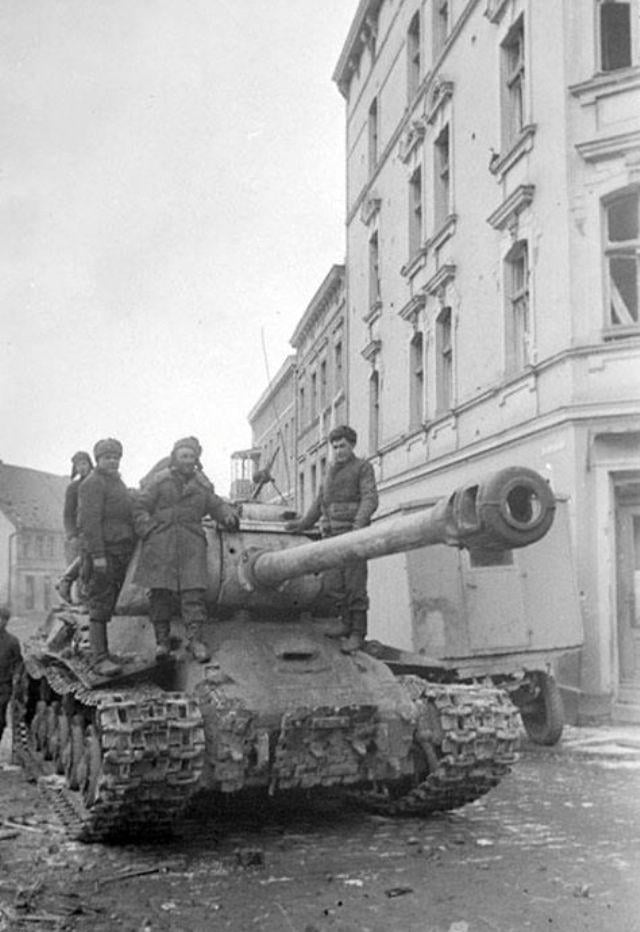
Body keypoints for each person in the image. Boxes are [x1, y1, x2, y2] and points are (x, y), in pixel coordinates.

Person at [132, 436, 240, 662]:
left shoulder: (201, 485)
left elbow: (215, 504)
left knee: (193, 594)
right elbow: (140, 506)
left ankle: (195, 641)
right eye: (183, 456)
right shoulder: (160, 481)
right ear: (175, 458)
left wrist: (228, 515)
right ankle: (162, 642)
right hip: (161, 542)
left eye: (191, 456)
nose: (188, 460)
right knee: (159, 594)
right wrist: (148, 529)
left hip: (191, 544)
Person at [285, 425, 378, 653]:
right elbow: (320, 502)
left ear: (352, 445)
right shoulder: (329, 471)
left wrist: (359, 525)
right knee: (334, 585)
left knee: (355, 586)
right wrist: (304, 524)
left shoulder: (362, 468)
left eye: (342, 446)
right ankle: (345, 624)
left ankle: (357, 633)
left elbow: (370, 498)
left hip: (353, 536)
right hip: (331, 536)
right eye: (335, 447)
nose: (338, 451)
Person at [77, 438, 135, 677]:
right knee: (99, 604)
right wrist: (98, 555)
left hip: (120, 550)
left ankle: (105, 652)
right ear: (98, 459)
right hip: (104, 552)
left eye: (116, 457)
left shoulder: (116, 482)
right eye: (107, 457)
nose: (112, 461)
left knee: (109, 602)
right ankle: (99, 658)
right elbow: (90, 523)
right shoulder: (93, 483)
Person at [56, 451, 94, 603]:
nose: (82, 468)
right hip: (80, 531)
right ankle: (80, 598)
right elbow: (68, 513)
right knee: (84, 563)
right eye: (78, 465)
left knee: (89, 564)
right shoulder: (74, 487)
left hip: (95, 527)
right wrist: (72, 534)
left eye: (84, 464)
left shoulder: (98, 482)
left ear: (91, 464)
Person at [0, 607, 22, 745]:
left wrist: (17, 676)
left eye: (3, 619)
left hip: (3, 685)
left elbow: (18, 662)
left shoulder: (12, 641)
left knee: (0, 720)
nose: (0, 622)